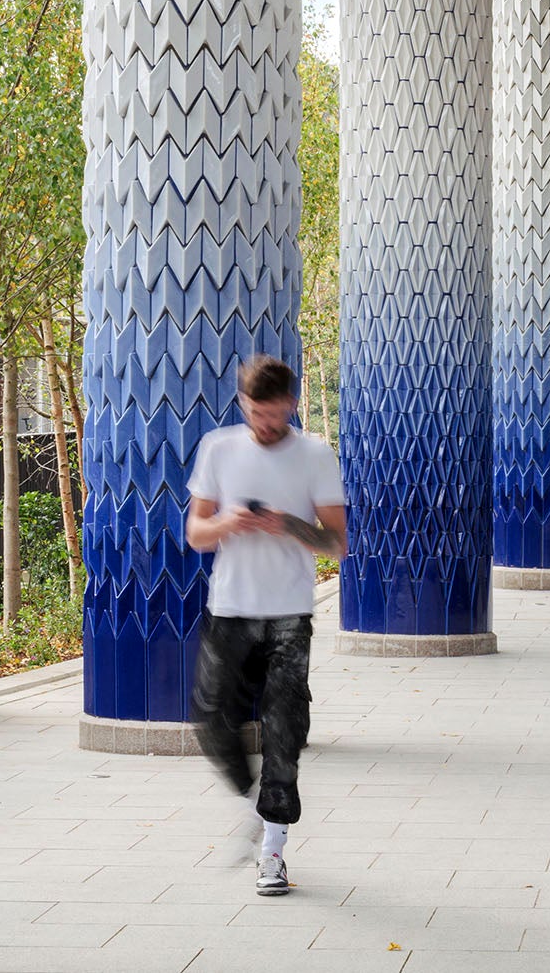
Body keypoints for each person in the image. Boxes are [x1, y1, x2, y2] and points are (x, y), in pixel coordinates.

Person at [185, 354, 347, 896]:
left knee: (284, 730)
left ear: (293, 404)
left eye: (276, 414)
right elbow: (196, 533)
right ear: (244, 404)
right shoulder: (219, 449)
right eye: (257, 413)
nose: (266, 424)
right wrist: (228, 521)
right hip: (229, 607)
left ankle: (273, 849)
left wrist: (289, 524)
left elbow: (337, 544)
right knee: (209, 717)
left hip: (288, 613)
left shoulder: (315, 455)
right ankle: (257, 803)